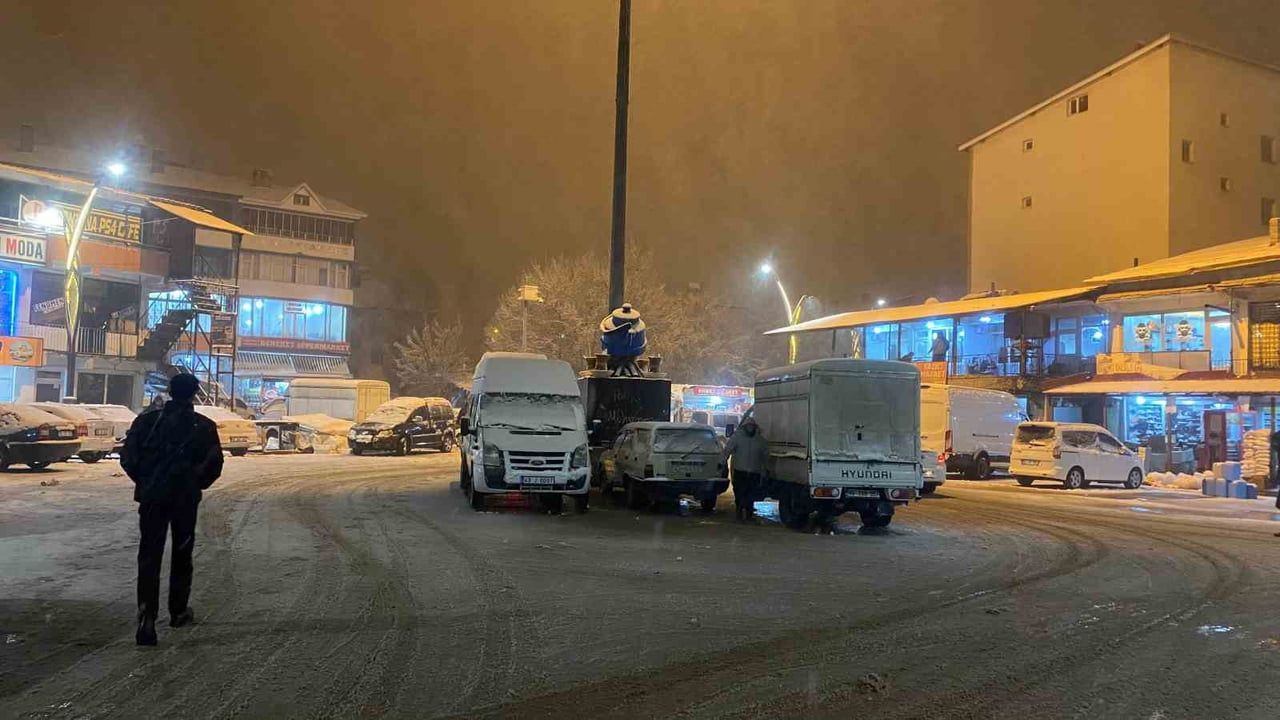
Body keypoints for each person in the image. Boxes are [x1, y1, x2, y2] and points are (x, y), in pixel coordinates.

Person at [121, 374, 224, 646]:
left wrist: (146, 482)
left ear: (169, 391)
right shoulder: (203, 426)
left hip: (152, 498)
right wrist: (193, 482)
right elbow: (214, 464)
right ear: (194, 394)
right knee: (182, 552)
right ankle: (178, 611)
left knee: (149, 555)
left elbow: (128, 457)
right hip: (184, 500)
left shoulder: (146, 422)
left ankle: (146, 617)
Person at [721, 417, 769, 521]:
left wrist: (764, 470)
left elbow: (765, 456)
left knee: (751, 494)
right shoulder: (737, 438)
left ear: (755, 427)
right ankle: (739, 512)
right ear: (744, 427)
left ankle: (748, 514)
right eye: (748, 426)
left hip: (754, 472)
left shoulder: (760, 440)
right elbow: (727, 450)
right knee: (739, 493)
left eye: (752, 426)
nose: (750, 428)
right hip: (740, 472)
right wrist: (722, 462)